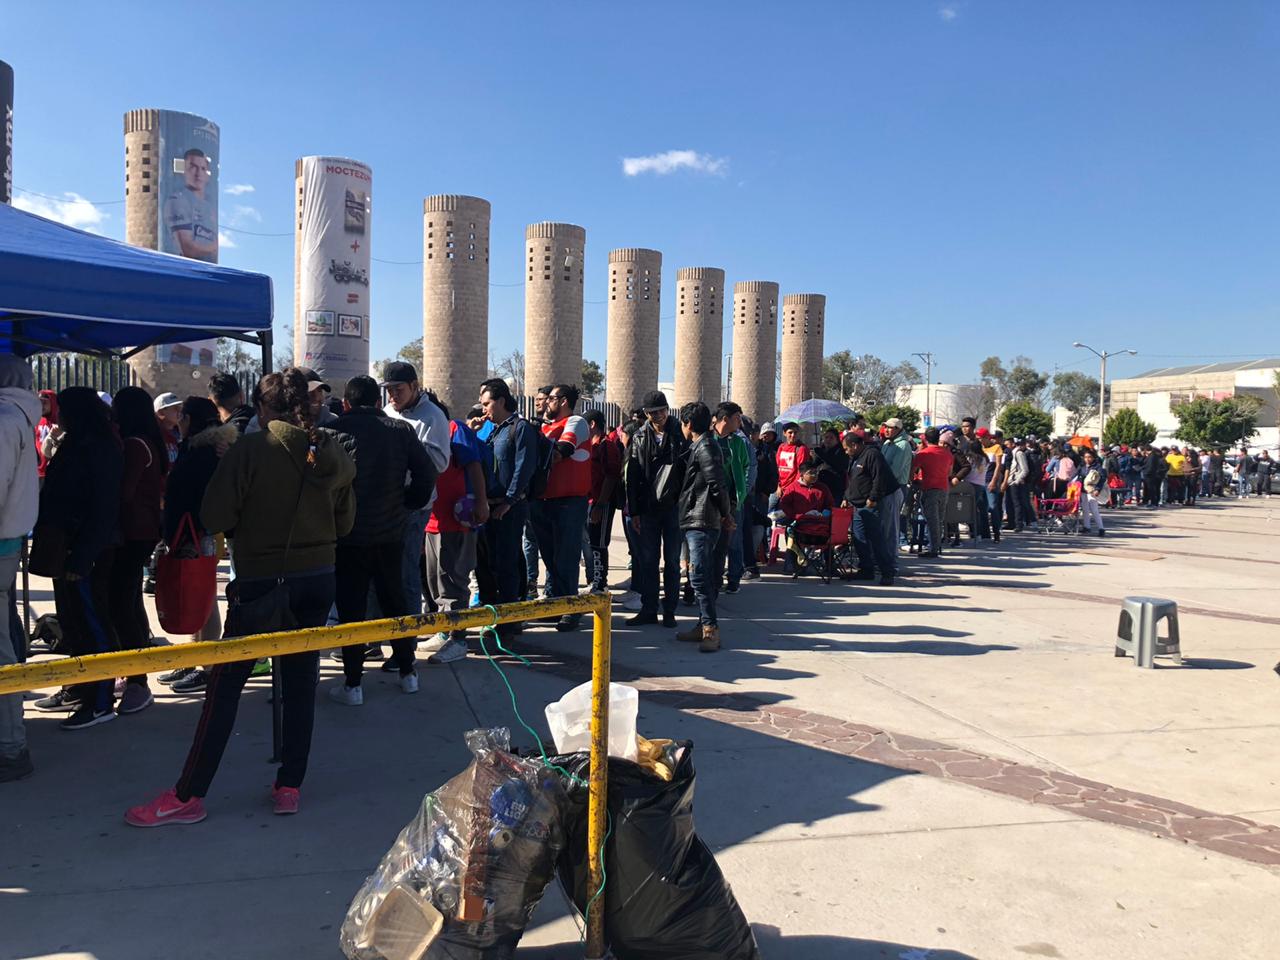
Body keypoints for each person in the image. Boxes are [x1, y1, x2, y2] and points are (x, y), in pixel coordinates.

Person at [126, 369, 356, 826]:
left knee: (225, 686)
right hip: (320, 576)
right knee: (300, 682)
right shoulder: (332, 451)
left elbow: (213, 517)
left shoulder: (251, 450)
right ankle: (290, 784)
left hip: (261, 580)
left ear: (266, 408)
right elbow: (346, 523)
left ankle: (189, 794)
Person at [328, 375, 437, 704]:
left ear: (346, 403)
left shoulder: (331, 433)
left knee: (351, 608)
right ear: (378, 402)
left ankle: (353, 683)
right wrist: (409, 502)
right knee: (396, 602)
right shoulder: (400, 431)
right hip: (391, 531)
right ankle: (408, 672)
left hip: (348, 534)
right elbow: (427, 473)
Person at [31, 388, 122, 728]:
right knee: (75, 623)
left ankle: (100, 700)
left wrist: (83, 557)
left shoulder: (97, 447)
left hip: (86, 551)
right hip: (71, 548)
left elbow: (102, 509)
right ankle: (82, 689)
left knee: (92, 622)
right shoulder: (79, 441)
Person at [155, 397, 238, 693]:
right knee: (197, 595)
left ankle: (208, 665)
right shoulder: (204, 447)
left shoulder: (204, 451)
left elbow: (198, 495)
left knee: (203, 598)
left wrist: (190, 532)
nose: (179, 421)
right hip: (192, 532)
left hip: (197, 533)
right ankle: (195, 658)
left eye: (182, 416)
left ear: (191, 420)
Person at [106, 386, 170, 716]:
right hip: (143, 531)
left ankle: (136, 680)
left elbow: (124, 493)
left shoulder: (133, 444)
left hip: (132, 532)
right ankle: (129, 671)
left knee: (122, 606)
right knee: (128, 602)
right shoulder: (151, 441)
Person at [380, 362, 452, 652]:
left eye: (399, 390)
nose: (393, 396)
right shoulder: (386, 414)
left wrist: (406, 452)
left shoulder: (433, 417)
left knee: (406, 570)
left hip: (414, 506)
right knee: (382, 571)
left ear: (414, 386)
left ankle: (406, 642)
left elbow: (441, 463)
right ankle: (381, 632)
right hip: (384, 504)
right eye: (389, 391)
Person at [421, 408, 489, 663]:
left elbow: (474, 466)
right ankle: (444, 630)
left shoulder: (454, 429)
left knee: (453, 581)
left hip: (456, 520)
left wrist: (481, 503)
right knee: (434, 582)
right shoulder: (421, 431)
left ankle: (458, 639)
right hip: (431, 521)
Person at [0, 358, 40, 781]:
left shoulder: (4, 420)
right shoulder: (19, 418)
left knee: (1, 651)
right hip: (8, 542)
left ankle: (10, 747)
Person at [528, 384, 592, 631]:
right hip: (543, 500)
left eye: (551, 399)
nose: (545, 403)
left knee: (566, 556)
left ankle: (571, 609)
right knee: (551, 557)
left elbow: (562, 450)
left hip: (568, 501)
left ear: (563, 401)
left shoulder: (576, 422)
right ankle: (556, 605)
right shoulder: (543, 426)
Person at [624, 391, 687, 628]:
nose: (658, 415)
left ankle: (669, 610)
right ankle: (648, 608)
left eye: (661, 410)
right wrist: (635, 511)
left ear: (667, 409)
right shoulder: (639, 436)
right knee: (648, 561)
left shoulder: (681, 433)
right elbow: (632, 475)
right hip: (648, 508)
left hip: (673, 507)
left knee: (672, 561)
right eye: (652, 412)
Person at [479, 378, 538, 631]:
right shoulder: (491, 429)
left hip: (509, 508)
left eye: (487, 403)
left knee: (507, 563)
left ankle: (509, 619)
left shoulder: (520, 428)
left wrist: (510, 501)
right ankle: (492, 612)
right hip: (489, 506)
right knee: (488, 563)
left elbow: (524, 468)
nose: (484, 409)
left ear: (501, 401)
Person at [675, 402, 732, 654]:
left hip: (703, 519)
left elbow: (717, 483)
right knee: (699, 573)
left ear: (687, 424)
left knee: (699, 575)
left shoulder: (706, 446)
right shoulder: (699, 445)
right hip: (696, 518)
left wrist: (725, 514)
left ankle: (711, 629)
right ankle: (702, 624)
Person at [842, 431, 899, 585]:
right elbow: (854, 480)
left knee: (877, 538)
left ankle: (887, 571)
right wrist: (846, 497)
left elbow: (879, 478)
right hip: (856, 504)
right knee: (859, 537)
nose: (846, 452)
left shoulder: (872, 455)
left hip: (870, 504)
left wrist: (873, 498)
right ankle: (866, 569)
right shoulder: (854, 458)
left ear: (854, 445)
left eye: (847, 448)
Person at [711, 402, 750, 594]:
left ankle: (720, 583)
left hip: (731, 503)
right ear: (725, 419)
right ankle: (698, 585)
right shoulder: (707, 439)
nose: (739, 422)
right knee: (705, 547)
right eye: (737, 418)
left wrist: (740, 495)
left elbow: (745, 468)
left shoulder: (738, 443)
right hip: (708, 503)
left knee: (726, 545)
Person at [585, 409, 623, 593]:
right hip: (589, 500)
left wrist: (600, 504)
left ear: (592, 424)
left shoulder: (606, 446)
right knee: (592, 542)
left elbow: (611, 476)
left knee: (599, 544)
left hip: (601, 502)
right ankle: (594, 581)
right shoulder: (590, 445)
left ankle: (600, 583)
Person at [777, 460, 834, 574]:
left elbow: (830, 504)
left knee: (830, 532)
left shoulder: (822, 488)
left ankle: (830, 566)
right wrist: (796, 516)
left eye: (816, 473)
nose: (814, 475)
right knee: (790, 532)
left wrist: (824, 514)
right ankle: (791, 564)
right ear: (802, 474)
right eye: (811, 473)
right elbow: (784, 504)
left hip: (819, 525)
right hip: (800, 526)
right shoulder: (793, 487)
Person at [163, 147, 216, 261]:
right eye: (193, 167)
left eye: (203, 168)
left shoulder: (210, 208)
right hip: (180, 271)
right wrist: (212, 248)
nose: (198, 173)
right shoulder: (177, 201)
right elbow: (187, 249)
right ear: (184, 171)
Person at [912, 427, 953, 555]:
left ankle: (933, 548)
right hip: (944, 487)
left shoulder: (923, 454)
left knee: (931, 520)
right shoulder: (948, 453)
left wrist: (914, 481)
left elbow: (912, 471)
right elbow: (949, 472)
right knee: (939, 519)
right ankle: (937, 546)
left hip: (929, 488)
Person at [879, 417, 914, 552]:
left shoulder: (903, 445)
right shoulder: (887, 443)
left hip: (896, 487)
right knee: (886, 523)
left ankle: (892, 554)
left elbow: (896, 471)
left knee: (893, 522)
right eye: (885, 427)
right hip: (884, 486)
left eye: (890, 427)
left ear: (898, 430)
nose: (886, 430)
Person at [814, 426, 850, 505]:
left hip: (835, 489)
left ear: (837, 440)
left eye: (831, 438)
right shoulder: (822, 449)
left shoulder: (841, 451)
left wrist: (821, 454)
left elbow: (837, 464)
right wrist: (815, 456)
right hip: (821, 486)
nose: (828, 440)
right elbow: (815, 465)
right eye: (826, 437)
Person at [775, 422, 810, 493]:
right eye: (790, 432)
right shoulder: (781, 447)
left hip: (793, 489)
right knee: (771, 504)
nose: (793, 435)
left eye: (795, 432)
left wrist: (793, 488)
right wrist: (778, 485)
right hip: (779, 487)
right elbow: (776, 467)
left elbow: (800, 471)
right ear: (784, 433)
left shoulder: (801, 449)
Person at [1079, 449, 1106, 536]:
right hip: (1083, 491)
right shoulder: (1082, 467)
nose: (1087, 459)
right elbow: (1076, 476)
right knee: (1085, 510)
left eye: (1089, 457)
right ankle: (1087, 527)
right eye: (1086, 457)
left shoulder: (1098, 467)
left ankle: (1101, 529)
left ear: (1093, 457)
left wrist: (1098, 489)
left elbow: (1102, 479)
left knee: (1094, 510)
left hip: (1092, 491)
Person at [34, 388, 57, 482]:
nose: (41, 406)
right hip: (37, 470)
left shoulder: (59, 423)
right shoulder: (38, 420)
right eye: (39, 403)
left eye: (44, 403)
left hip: (52, 472)